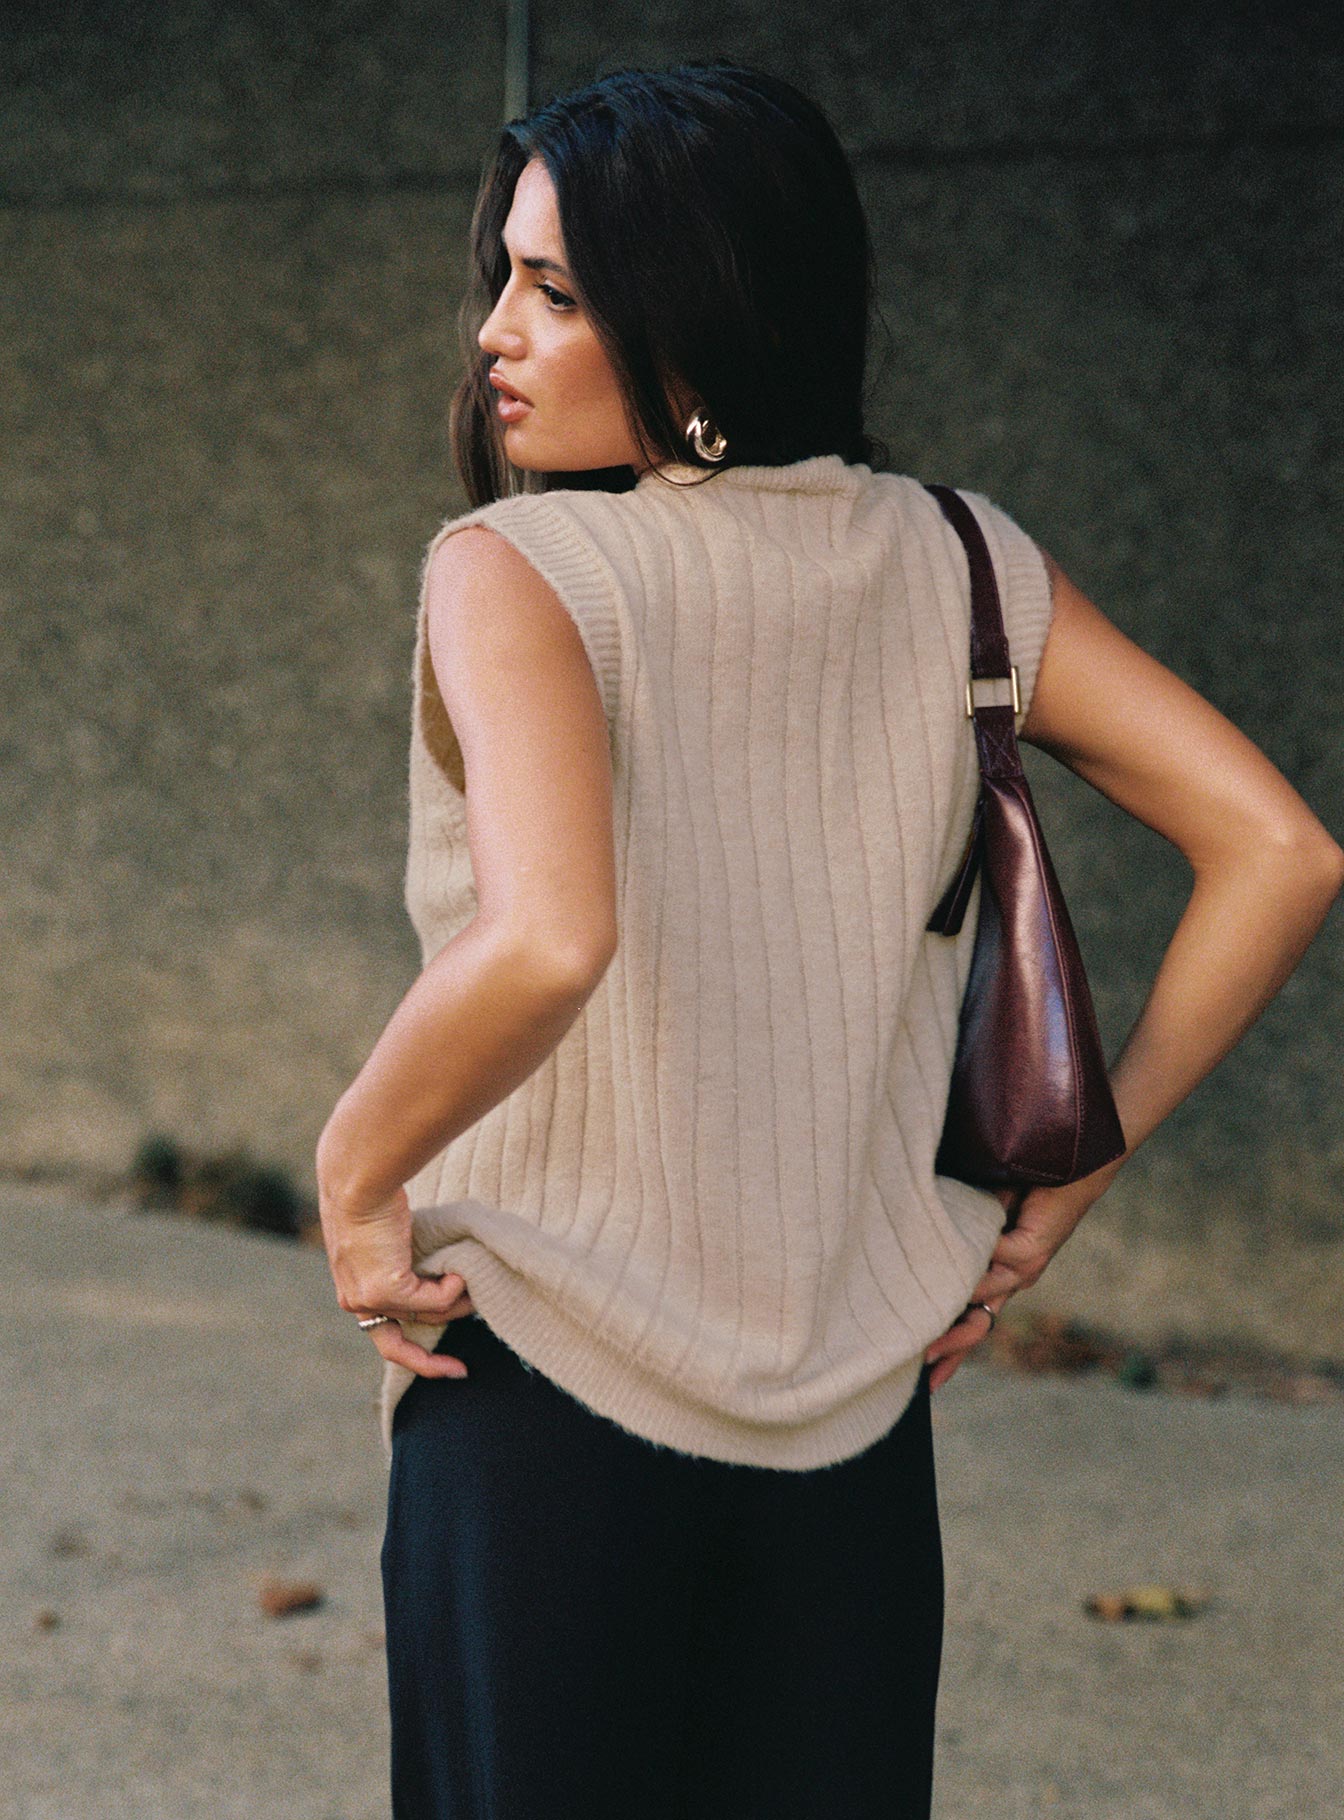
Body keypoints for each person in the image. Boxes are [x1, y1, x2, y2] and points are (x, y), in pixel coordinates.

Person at [314, 59, 1343, 1820]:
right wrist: (1071, 1164)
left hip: (547, 1384)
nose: (493, 330)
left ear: (703, 318)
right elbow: (1278, 846)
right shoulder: (962, 563)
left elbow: (550, 938)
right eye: (504, 273)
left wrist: (350, 1173)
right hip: (856, 1425)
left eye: (554, 291)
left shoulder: (519, 568)